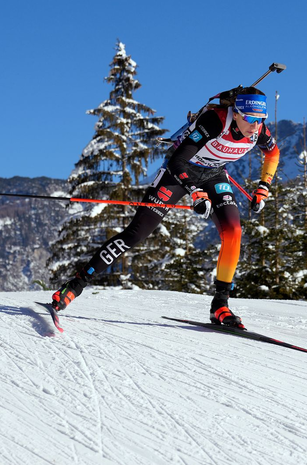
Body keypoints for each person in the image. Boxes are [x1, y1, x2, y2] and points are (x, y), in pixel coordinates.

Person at [51, 87, 279, 328]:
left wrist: (263, 187)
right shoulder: (215, 122)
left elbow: (273, 153)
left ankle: (220, 305)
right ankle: (75, 285)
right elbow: (178, 160)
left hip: (213, 175)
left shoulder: (258, 132)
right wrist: (195, 192)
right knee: (136, 233)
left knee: (233, 231)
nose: (255, 126)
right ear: (238, 113)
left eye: (261, 119)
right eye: (251, 119)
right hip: (179, 173)